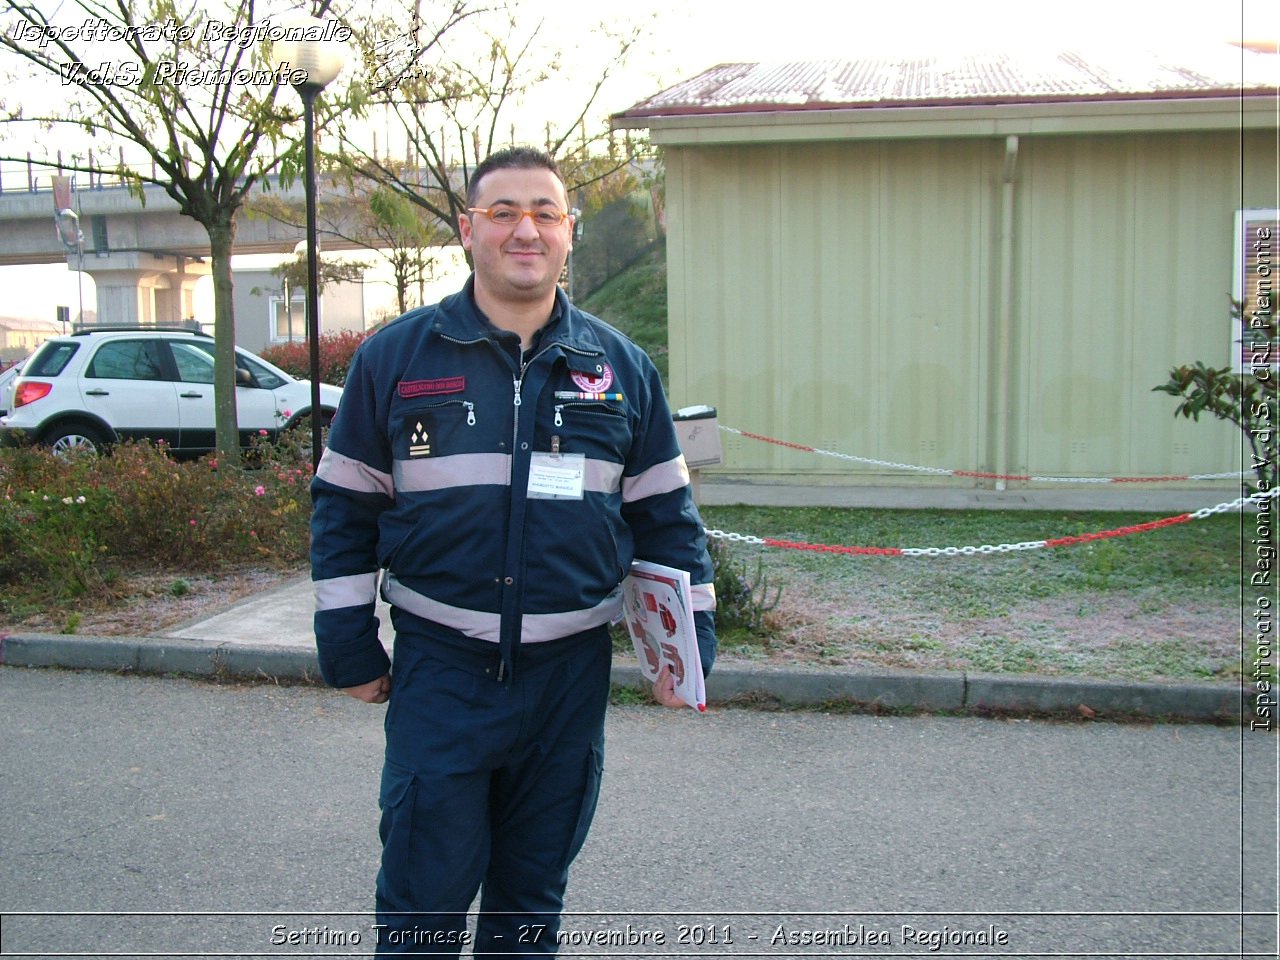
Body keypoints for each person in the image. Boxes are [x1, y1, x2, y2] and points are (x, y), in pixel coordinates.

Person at [309, 146, 717, 956]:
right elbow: (345, 507)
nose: (524, 228)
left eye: (544, 212)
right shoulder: (395, 359)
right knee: (421, 909)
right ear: (468, 230)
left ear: (569, 232)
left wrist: (687, 653)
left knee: (530, 908)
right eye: (503, 212)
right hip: (443, 673)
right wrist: (348, 646)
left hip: (567, 684)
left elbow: (667, 518)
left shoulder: (622, 369)